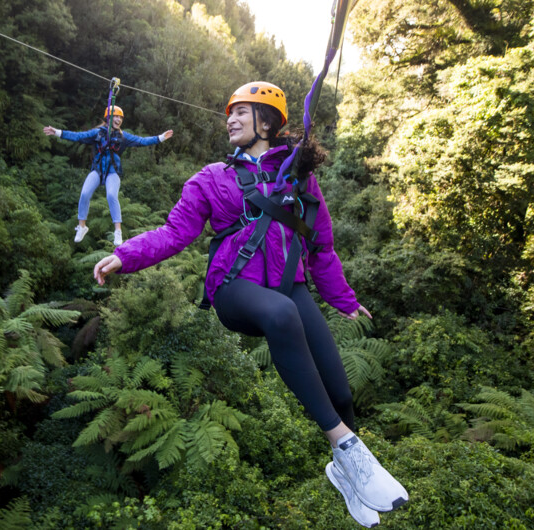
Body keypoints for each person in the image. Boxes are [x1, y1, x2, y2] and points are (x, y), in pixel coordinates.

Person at [93, 82, 408, 527]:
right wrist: (126, 256)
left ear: (267, 121)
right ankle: (347, 449)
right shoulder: (210, 179)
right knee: (281, 315)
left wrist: (343, 299)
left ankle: (346, 475)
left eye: (241, 112)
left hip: (290, 286)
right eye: (229, 114)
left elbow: (321, 246)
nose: (231, 119)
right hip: (234, 287)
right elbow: (173, 233)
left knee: (340, 390)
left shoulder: (298, 176)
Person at [43, 106, 174, 246]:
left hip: (113, 172)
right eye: (116, 116)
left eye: (120, 117)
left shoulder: (123, 136)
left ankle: (118, 231)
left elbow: (142, 141)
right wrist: (57, 132)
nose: (118, 120)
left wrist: (160, 138)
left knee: (111, 195)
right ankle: (82, 226)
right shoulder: (97, 133)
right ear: (108, 118)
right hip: (98, 171)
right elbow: (78, 136)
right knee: (84, 193)